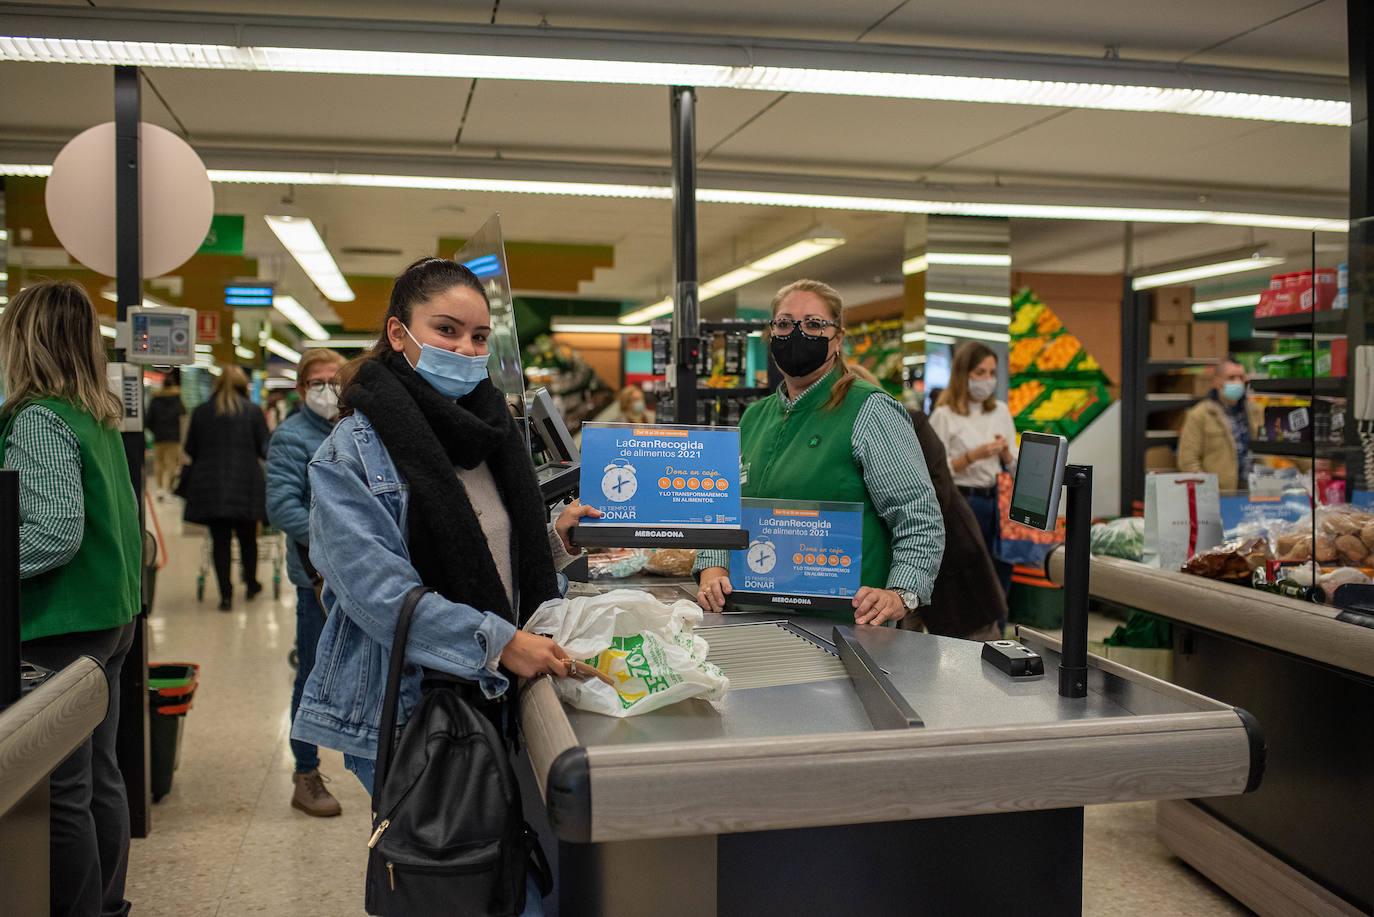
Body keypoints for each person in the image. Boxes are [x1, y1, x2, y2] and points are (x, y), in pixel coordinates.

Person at [290, 257, 597, 914]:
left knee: (508, 879)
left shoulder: (490, 433)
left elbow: (491, 552)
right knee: (452, 888)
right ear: (399, 334)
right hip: (412, 712)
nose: (466, 349)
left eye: (480, 337)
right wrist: (497, 642)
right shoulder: (350, 450)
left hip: (498, 696)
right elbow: (378, 593)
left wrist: (554, 539)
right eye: (448, 329)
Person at [0, 280, 141, 917]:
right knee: (100, 778)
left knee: (61, 789)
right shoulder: (98, 416)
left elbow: (54, 532)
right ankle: (107, 904)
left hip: (59, 624)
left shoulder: (38, 419)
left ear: (21, 340)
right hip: (109, 617)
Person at [695, 279, 944, 625]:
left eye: (814, 324)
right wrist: (713, 566)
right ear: (771, 336)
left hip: (845, 627)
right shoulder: (755, 417)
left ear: (838, 338)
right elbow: (722, 511)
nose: (797, 334)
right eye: (784, 324)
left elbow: (917, 516)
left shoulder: (869, 410)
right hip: (752, 615)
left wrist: (900, 594)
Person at [265, 348, 346, 818]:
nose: (328, 389)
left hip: (363, 580)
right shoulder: (291, 437)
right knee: (314, 673)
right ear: (301, 389)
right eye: (318, 382)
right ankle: (306, 773)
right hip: (315, 580)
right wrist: (344, 541)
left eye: (335, 380)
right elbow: (282, 508)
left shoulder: (357, 430)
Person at [929, 342, 1017, 602]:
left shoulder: (1000, 411)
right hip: (963, 502)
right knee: (969, 579)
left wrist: (1006, 455)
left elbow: (1014, 464)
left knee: (1000, 574)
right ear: (963, 373)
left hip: (997, 502)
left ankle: (998, 633)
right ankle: (966, 639)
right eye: (980, 372)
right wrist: (972, 456)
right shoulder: (944, 416)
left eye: (992, 373)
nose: (987, 380)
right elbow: (935, 470)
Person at [183, 365, 269, 611]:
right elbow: (264, 448)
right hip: (246, 484)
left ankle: (226, 595)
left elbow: (191, 449)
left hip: (211, 486)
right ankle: (251, 584)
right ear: (244, 386)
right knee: (248, 539)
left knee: (219, 541)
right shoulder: (253, 412)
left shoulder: (201, 412)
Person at [1178, 358, 1261, 492]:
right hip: (1220, 495)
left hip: (1253, 492)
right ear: (1217, 382)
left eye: (1241, 377)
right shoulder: (1200, 415)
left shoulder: (1255, 411)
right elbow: (1188, 461)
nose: (1237, 382)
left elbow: (1275, 443)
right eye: (1231, 377)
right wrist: (1207, 489)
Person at [145, 367, 185, 497]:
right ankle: (169, 489)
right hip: (174, 438)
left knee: (159, 463)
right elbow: (183, 418)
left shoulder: (155, 400)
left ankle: (160, 488)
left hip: (159, 437)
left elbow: (148, 419)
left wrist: (155, 430)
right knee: (171, 464)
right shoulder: (178, 400)